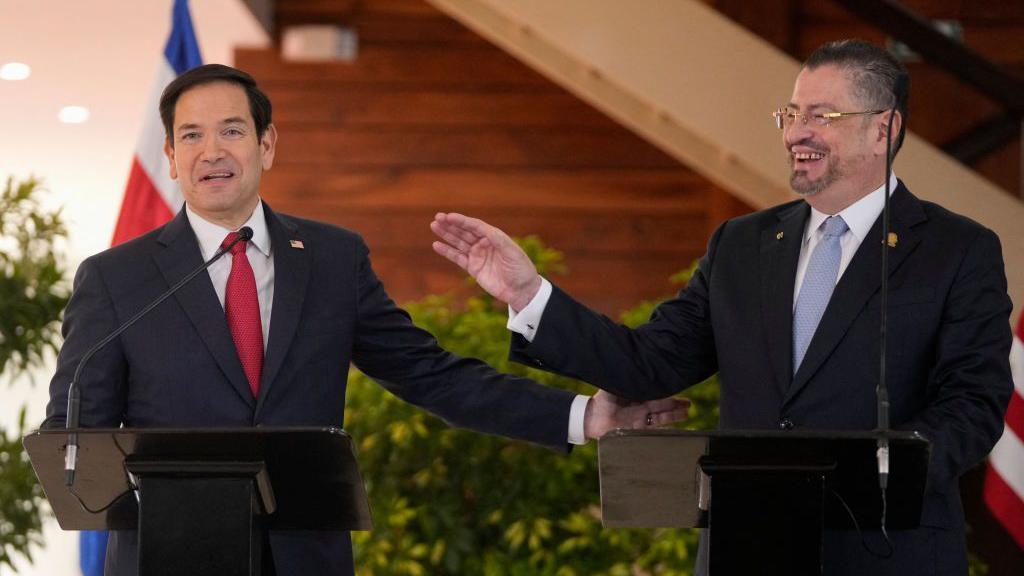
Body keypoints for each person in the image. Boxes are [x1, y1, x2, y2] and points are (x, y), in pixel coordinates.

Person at [42, 64, 688, 576]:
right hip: (170, 556)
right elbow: (75, 435)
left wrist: (582, 417)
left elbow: (432, 376)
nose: (213, 150)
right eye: (192, 135)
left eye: (233, 130)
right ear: (171, 155)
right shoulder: (117, 278)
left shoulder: (331, 258)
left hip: (306, 554)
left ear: (267, 144)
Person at [431, 39, 1013, 575]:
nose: (795, 133)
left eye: (821, 116)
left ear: (884, 130)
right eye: (790, 114)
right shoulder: (741, 244)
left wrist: (881, 472)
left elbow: (973, 405)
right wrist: (530, 295)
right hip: (744, 551)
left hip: (885, 552)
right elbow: (648, 363)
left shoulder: (958, 249)